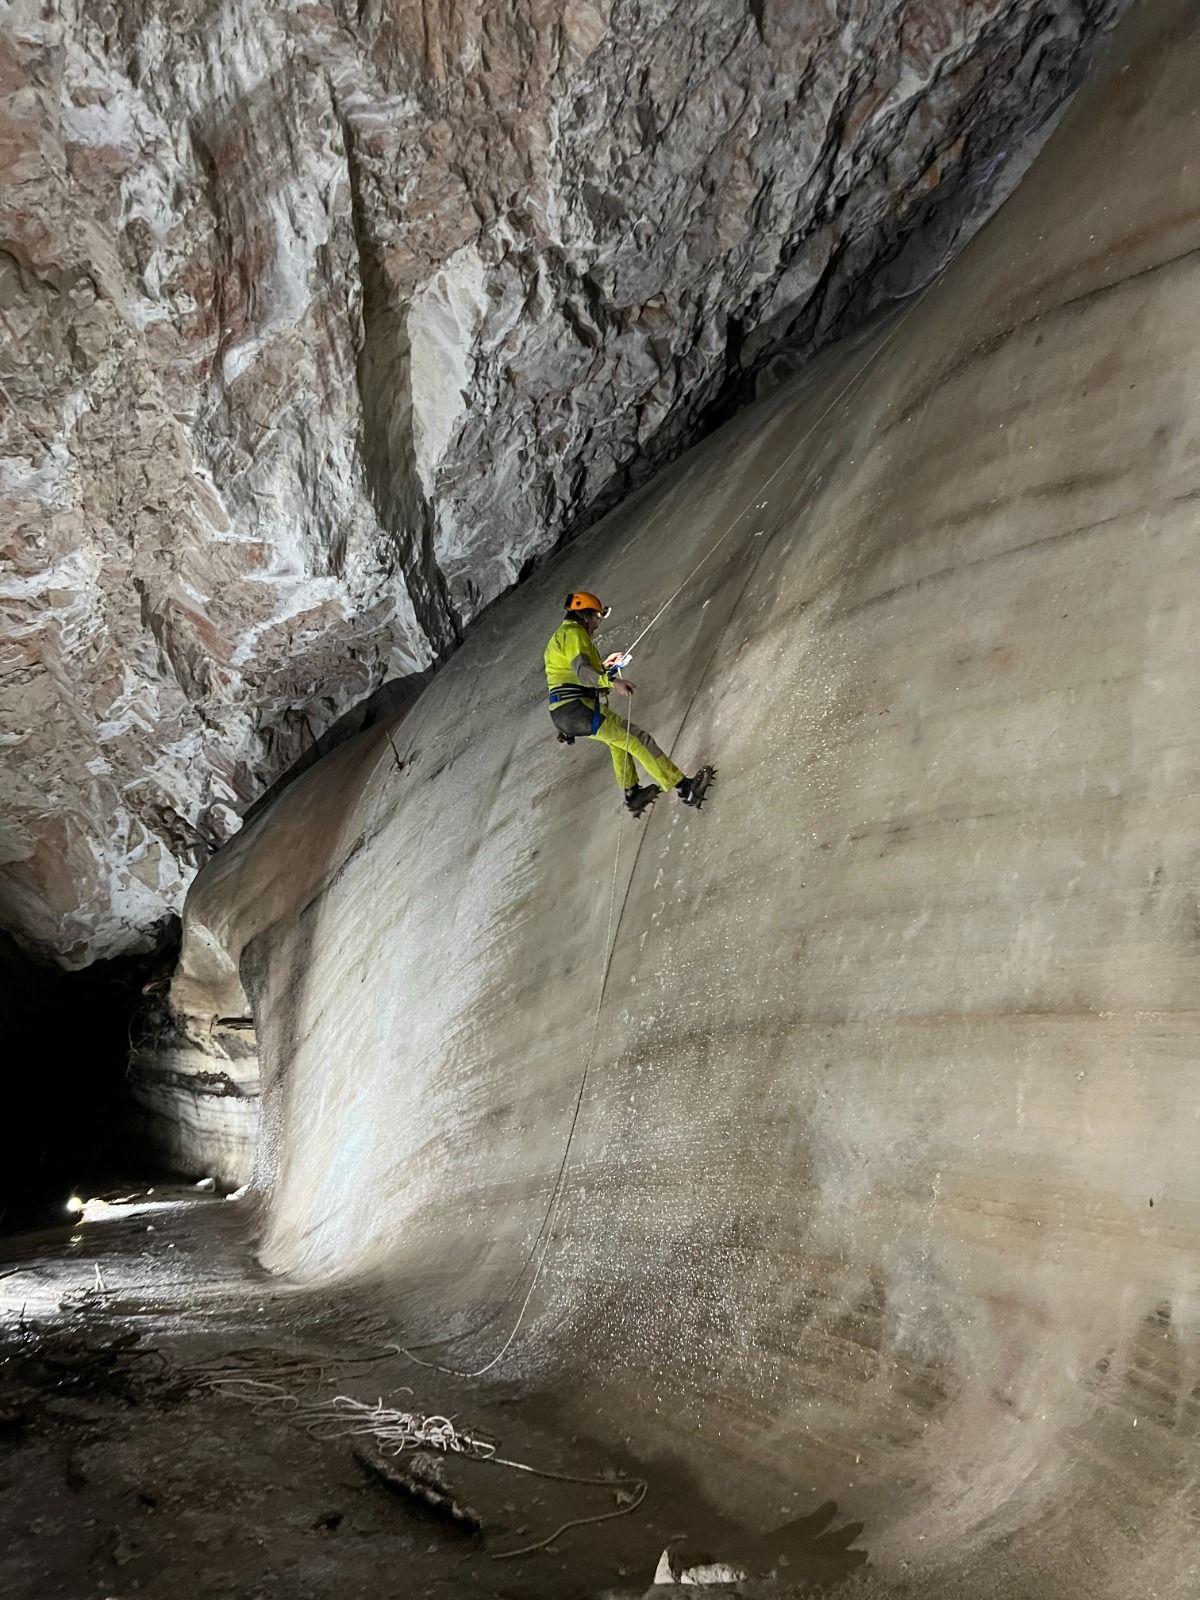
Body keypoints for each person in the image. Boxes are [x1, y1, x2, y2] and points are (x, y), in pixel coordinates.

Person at [544, 590, 713, 816]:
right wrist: (613, 681)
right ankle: (685, 789)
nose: (598, 624)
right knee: (635, 739)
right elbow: (583, 672)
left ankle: (632, 793)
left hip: (565, 713)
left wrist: (606, 668)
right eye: (597, 617)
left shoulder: (561, 637)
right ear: (584, 615)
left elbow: (570, 678)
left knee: (618, 742)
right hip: (578, 710)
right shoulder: (575, 635)